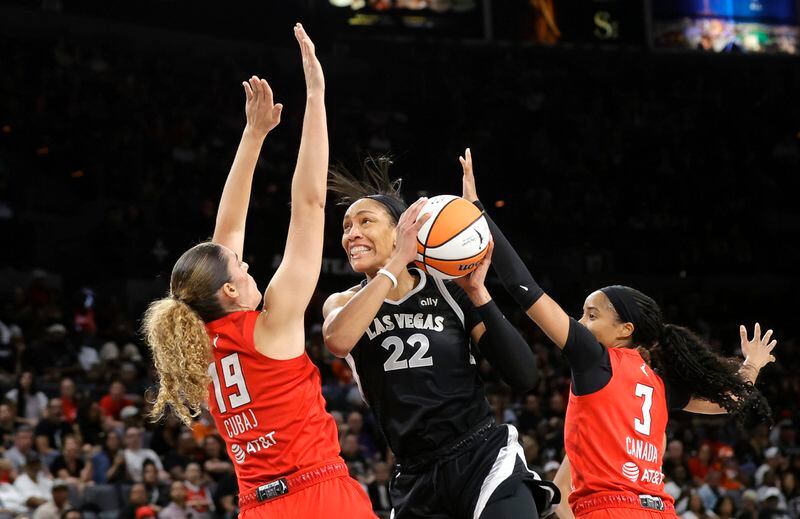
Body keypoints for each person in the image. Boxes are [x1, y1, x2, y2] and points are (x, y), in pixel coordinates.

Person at [458, 148, 777, 518]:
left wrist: (477, 212)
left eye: (591, 315)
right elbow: (729, 400)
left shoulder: (593, 357)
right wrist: (752, 364)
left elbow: (522, 285)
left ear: (626, 330)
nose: (581, 322)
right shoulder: (660, 384)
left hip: (609, 509)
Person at [141, 24, 374, 519]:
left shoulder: (198, 345)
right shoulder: (273, 323)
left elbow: (224, 237)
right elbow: (309, 204)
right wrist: (316, 95)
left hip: (258, 507)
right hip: (320, 497)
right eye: (241, 268)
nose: (247, 265)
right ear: (228, 289)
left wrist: (254, 135)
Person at [323, 158, 558, 518]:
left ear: (402, 229)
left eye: (365, 221)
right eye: (347, 226)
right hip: (414, 474)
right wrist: (397, 261)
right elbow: (338, 340)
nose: (351, 233)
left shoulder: (449, 292)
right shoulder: (342, 302)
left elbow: (524, 376)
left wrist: (479, 292)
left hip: (481, 454)